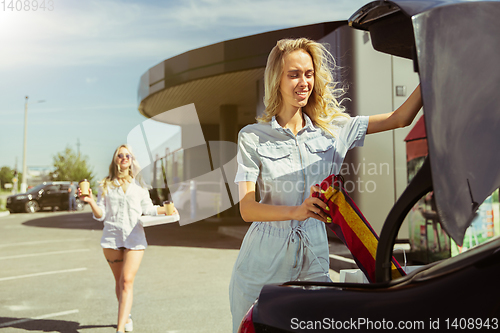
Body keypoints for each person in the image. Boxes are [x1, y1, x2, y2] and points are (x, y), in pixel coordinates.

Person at [229, 37, 422, 331]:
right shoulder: (252, 136)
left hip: (314, 255)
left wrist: (433, 69)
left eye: (308, 73)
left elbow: (400, 118)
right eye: (293, 74)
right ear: (276, 80)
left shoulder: (334, 129)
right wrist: (298, 210)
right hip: (263, 260)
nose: (303, 82)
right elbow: (247, 208)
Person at [79, 144, 178, 333]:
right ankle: (127, 316)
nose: (124, 158)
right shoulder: (105, 184)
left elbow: (148, 210)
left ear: (132, 160)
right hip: (112, 238)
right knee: (119, 282)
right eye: (120, 155)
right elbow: (101, 215)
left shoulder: (140, 185)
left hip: (135, 238)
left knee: (126, 281)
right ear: (115, 159)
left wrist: (167, 209)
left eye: (128, 155)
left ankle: (119, 329)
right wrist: (91, 201)